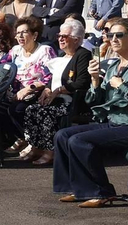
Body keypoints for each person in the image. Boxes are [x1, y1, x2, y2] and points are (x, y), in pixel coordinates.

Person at [51, 18, 128, 207]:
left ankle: (101, 192)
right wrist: (94, 81)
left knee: (79, 141)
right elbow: (94, 101)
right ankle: (75, 188)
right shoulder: (112, 67)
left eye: (119, 35)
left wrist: (123, 86)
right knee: (62, 135)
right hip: (112, 123)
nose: (113, 39)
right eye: (110, 35)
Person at [18, 17, 94, 164]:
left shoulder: (82, 54)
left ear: (77, 39)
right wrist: (47, 89)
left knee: (46, 112)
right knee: (32, 109)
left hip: (73, 101)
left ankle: (50, 150)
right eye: (59, 36)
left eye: (64, 36)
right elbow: (53, 78)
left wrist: (59, 90)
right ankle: (36, 146)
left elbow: (82, 83)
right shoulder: (61, 55)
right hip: (57, 99)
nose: (60, 39)